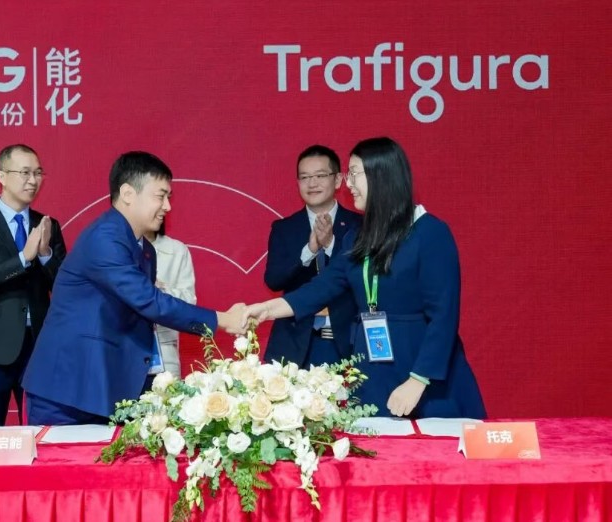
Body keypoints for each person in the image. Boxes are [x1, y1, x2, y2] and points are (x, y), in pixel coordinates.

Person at [244, 137, 486, 419]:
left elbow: (443, 316)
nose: (348, 184)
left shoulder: (430, 232)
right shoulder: (357, 237)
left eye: (354, 173)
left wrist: (418, 379)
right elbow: (321, 288)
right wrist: (265, 310)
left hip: (423, 372)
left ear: (380, 175)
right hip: (373, 365)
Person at [22, 151, 246, 425]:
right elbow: (150, 302)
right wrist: (223, 320)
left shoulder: (144, 248)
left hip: (104, 386)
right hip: (67, 389)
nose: (167, 206)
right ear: (128, 193)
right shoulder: (105, 238)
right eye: (160, 196)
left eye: (169, 197)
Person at [0, 144, 67, 427]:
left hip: (39, 348)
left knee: (41, 432)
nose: (33, 180)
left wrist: (45, 254)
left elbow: (65, 287)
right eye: (25, 173)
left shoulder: (48, 225)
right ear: (2, 176)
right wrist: (22, 258)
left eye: (38, 173)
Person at [264, 145, 361, 367]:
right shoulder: (284, 228)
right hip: (295, 344)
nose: (312, 183)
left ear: (338, 180)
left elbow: (359, 276)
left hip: (348, 341)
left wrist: (330, 245)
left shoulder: (360, 225)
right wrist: (309, 251)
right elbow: (274, 280)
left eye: (320, 176)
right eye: (305, 177)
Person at [144, 221, 197, 378]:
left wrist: (161, 290)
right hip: (120, 352)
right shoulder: (115, 249)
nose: (165, 208)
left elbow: (189, 303)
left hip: (164, 352)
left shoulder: (177, 250)